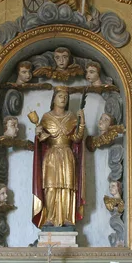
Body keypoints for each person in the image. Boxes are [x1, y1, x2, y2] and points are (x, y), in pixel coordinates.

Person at [32, 87, 85, 228]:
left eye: (66, 97)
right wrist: (37, 134)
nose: (63, 98)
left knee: (68, 187)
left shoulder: (72, 117)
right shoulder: (46, 117)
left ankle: (68, 218)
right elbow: (42, 140)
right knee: (50, 186)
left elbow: (77, 138)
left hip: (67, 154)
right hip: (52, 155)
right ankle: (50, 217)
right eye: (60, 95)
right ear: (54, 98)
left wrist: (82, 121)